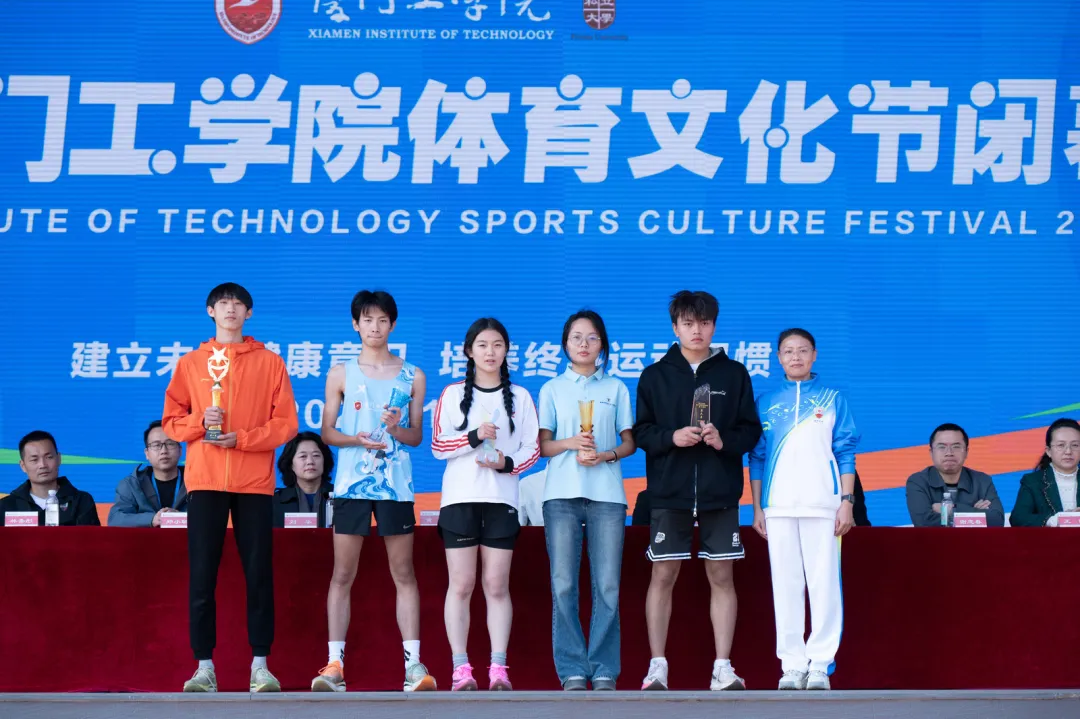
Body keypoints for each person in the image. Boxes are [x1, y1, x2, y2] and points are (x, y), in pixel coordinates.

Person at [162, 282, 298, 693]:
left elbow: (286, 424)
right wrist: (200, 422)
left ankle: (261, 665)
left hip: (253, 482)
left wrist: (243, 439)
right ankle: (204, 666)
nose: (231, 309)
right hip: (205, 481)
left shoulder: (270, 362)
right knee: (202, 575)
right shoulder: (191, 363)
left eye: (239, 304)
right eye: (223, 303)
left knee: (258, 574)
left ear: (249, 313)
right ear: (210, 311)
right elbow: (171, 421)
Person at [633, 291, 762, 691]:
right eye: (688, 323)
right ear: (675, 327)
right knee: (663, 573)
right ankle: (657, 666)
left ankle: (722, 667)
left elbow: (750, 430)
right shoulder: (655, 375)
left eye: (704, 323)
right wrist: (671, 436)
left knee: (722, 575)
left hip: (719, 492)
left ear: (714, 326)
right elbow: (641, 432)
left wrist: (724, 441)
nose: (697, 331)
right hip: (668, 492)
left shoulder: (734, 374)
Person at [313, 290, 434, 693]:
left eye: (383, 320)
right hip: (351, 484)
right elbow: (327, 432)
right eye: (367, 320)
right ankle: (334, 665)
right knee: (342, 574)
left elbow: (416, 437)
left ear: (393, 325)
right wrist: (357, 439)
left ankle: (414, 666)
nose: (375, 327)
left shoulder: (412, 375)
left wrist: (396, 428)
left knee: (404, 573)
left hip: (396, 487)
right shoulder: (340, 373)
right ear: (355, 325)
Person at [432, 318, 540, 692]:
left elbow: (532, 448)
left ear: (506, 351)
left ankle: (498, 668)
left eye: (497, 345)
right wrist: (474, 437)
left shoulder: (521, 397)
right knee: (461, 585)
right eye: (482, 345)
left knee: (496, 585)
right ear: (469, 351)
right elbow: (438, 445)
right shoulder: (451, 394)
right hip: (460, 500)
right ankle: (460, 668)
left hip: (501, 500)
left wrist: (506, 463)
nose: (490, 352)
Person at [749, 328, 859, 691]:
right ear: (778, 358)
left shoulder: (832, 399)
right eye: (788, 351)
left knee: (824, 585)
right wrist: (758, 508)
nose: (795, 357)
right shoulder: (766, 402)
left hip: (823, 505)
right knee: (786, 586)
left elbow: (845, 452)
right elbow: (758, 457)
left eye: (802, 350)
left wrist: (846, 502)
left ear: (814, 355)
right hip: (778, 507)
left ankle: (820, 665)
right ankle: (792, 665)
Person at [536, 309, 635, 691]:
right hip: (561, 495)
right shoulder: (552, 388)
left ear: (602, 345)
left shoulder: (616, 388)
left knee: (607, 585)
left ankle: (605, 668)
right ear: (565, 344)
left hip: (607, 495)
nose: (584, 344)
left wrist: (606, 454)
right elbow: (544, 446)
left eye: (592, 338)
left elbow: (629, 443)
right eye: (576, 337)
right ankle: (572, 669)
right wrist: (571, 443)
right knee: (563, 584)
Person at [905, 423, 1004, 527]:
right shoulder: (918, 481)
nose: (949, 453)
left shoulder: (982, 480)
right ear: (931, 453)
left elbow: (997, 521)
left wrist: (950, 509)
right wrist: (974, 513)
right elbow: (924, 524)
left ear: (966, 452)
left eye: (956, 447)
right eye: (942, 447)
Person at [0, 430, 99, 526]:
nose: (43, 465)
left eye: (49, 457)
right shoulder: (6, 506)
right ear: (23, 466)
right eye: (34, 459)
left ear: (59, 459)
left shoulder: (82, 501)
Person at [108, 421, 188, 527]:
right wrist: (152, 519)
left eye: (170, 444)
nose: (163, 451)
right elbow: (115, 519)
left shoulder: (196, 482)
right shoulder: (131, 484)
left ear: (180, 450)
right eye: (156, 445)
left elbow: (209, 517)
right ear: (147, 454)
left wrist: (182, 518)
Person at [1010, 418, 1080, 526]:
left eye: (1075, 445)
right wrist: (1054, 520)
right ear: (1049, 451)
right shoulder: (1032, 481)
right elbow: (1018, 518)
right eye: (1061, 445)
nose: (1068, 451)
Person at [273, 432, 334, 528]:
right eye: (303, 456)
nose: (310, 462)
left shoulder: (341, 498)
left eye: (316, 455)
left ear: (324, 461)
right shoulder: (274, 502)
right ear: (291, 464)